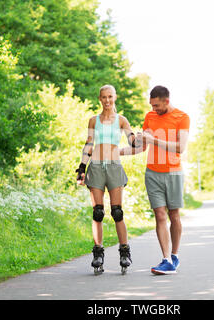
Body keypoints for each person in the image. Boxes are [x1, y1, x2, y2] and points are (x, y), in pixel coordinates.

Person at [120, 85, 190, 275]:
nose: (153, 110)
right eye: (151, 105)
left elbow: (180, 147)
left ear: (166, 101)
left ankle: (174, 255)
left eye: (157, 105)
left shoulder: (182, 118)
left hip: (173, 172)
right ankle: (166, 259)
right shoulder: (150, 117)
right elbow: (141, 147)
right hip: (152, 172)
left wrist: (153, 141)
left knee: (174, 215)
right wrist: (117, 152)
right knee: (160, 214)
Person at [75, 84, 137, 275]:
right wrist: (81, 167)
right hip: (96, 167)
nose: (107, 100)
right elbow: (89, 144)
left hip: (114, 167)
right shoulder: (94, 121)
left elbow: (131, 139)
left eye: (110, 97)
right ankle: (98, 254)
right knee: (98, 213)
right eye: (104, 97)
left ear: (115, 97)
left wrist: (136, 139)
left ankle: (124, 252)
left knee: (117, 212)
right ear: (99, 99)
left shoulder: (121, 120)